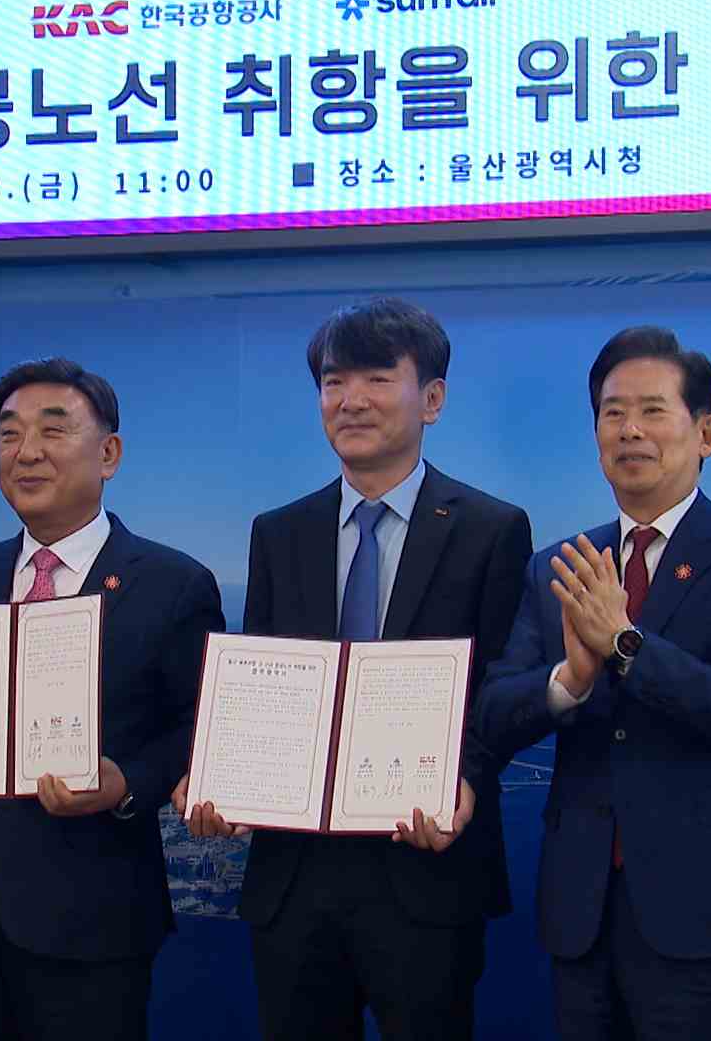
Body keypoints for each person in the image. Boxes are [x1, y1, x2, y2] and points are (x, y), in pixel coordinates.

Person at [176, 298, 531, 1040]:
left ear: (431, 398)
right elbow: (264, 684)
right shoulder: (280, 533)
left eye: (376, 378)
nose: (351, 400)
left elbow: (501, 685)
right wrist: (224, 779)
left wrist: (464, 781)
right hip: (294, 876)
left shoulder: (491, 529)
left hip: (427, 868)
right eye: (334, 382)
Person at [0, 358, 222, 1040]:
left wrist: (128, 783)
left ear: (109, 454)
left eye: (52, 430)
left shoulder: (173, 582)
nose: (26, 451)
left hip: (95, 914)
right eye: (9, 434)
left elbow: (199, 725)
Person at [476, 326, 711, 1041]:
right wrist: (571, 678)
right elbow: (495, 711)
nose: (630, 430)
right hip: (583, 912)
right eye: (613, 413)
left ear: (707, 433)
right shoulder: (559, 566)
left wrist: (624, 645)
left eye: (653, 411)